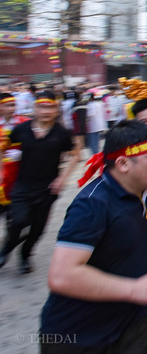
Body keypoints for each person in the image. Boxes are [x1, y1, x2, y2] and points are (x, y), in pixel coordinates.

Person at [39, 120, 147, 353]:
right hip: (81, 336)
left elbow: (144, 221)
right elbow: (62, 276)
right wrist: (134, 289)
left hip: (132, 327)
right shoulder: (92, 204)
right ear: (124, 163)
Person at [0, 92, 80, 274]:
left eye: (50, 107)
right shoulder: (21, 129)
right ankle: (5, 250)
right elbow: (2, 149)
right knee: (18, 221)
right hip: (21, 186)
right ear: (35, 108)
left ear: (56, 109)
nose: (46, 111)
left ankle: (25, 255)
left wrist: (62, 178)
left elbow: (76, 156)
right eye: (42, 107)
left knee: (37, 229)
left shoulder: (62, 133)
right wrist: (2, 171)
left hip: (47, 189)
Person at [0, 92, 29, 212]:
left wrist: (23, 153)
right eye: (8, 105)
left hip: (21, 169)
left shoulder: (24, 123)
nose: (11, 109)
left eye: (13, 105)